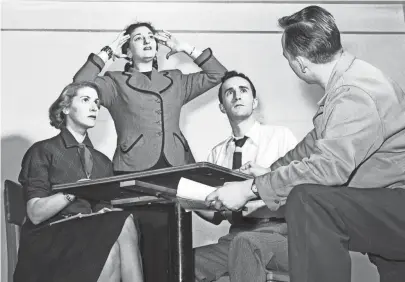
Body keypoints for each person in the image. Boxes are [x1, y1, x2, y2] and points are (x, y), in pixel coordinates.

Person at [206, 5, 405, 282]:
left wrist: (251, 190)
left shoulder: (354, 94)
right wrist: (265, 174)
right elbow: (311, 145)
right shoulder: (347, 84)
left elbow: (327, 169)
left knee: (309, 201)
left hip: (396, 207)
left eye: (287, 58)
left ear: (299, 62)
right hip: (387, 210)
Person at [14, 81, 144, 282]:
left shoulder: (102, 162)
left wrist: (103, 210)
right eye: (85, 100)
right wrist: (75, 190)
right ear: (65, 107)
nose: (94, 107)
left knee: (111, 252)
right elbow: (36, 214)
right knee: (123, 222)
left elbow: (104, 209)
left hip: (87, 236)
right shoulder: (42, 151)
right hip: (49, 241)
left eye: (97, 103)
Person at [73, 21, 227, 174]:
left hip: (177, 162)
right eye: (138, 38)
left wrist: (185, 48)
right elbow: (80, 83)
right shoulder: (115, 82)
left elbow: (218, 74)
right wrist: (108, 51)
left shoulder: (176, 79)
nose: (147, 41)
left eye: (151, 37)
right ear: (128, 52)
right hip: (133, 164)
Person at [194, 71, 297, 282]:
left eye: (243, 90)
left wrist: (264, 183)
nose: (237, 96)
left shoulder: (280, 136)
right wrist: (185, 200)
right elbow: (215, 216)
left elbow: (300, 188)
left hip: (281, 234)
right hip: (234, 235)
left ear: (255, 101)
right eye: (229, 92)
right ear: (222, 106)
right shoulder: (217, 153)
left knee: (245, 243)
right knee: (183, 261)